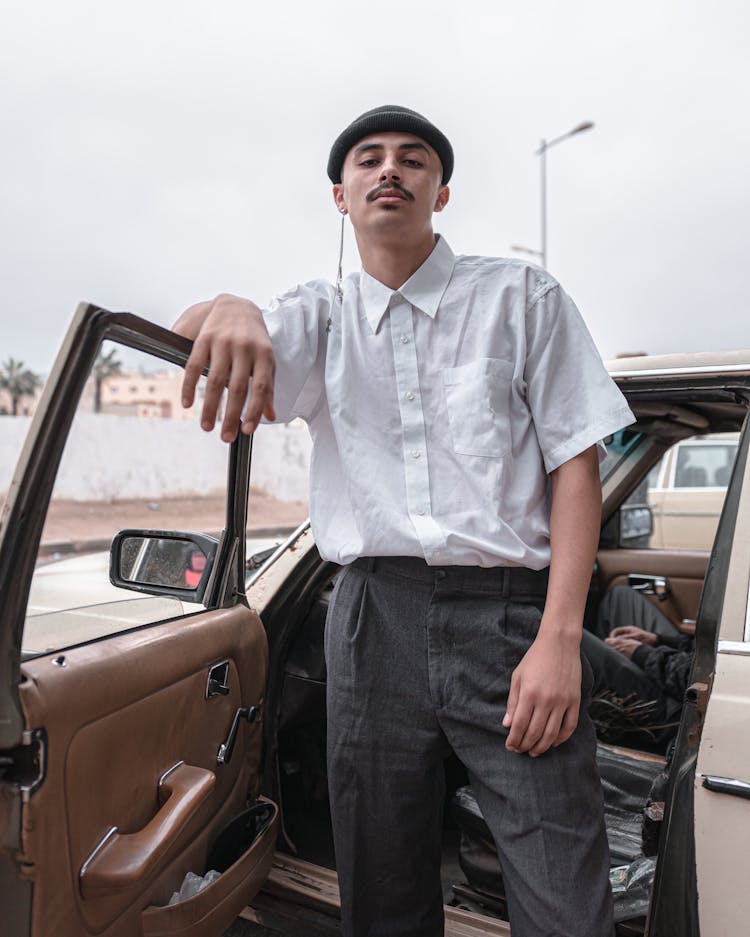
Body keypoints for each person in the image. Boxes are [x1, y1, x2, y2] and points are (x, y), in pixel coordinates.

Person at [173, 105, 635, 937]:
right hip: (368, 621)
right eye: (369, 159)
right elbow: (185, 342)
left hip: (508, 622)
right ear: (341, 197)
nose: (390, 168)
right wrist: (229, 301)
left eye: (412, 159)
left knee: (566, 898)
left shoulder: (521, 297)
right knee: (381, 894)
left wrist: (561, 639)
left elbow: (577, 464)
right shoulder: (318, 316)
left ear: (441, 191)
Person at [583, 585, 694, 729]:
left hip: (683, 707)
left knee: (565, 638)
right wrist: (659, 640)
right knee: (620, 599)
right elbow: (707, 652)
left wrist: (641, 653)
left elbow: (697, 676)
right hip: (685, 665)